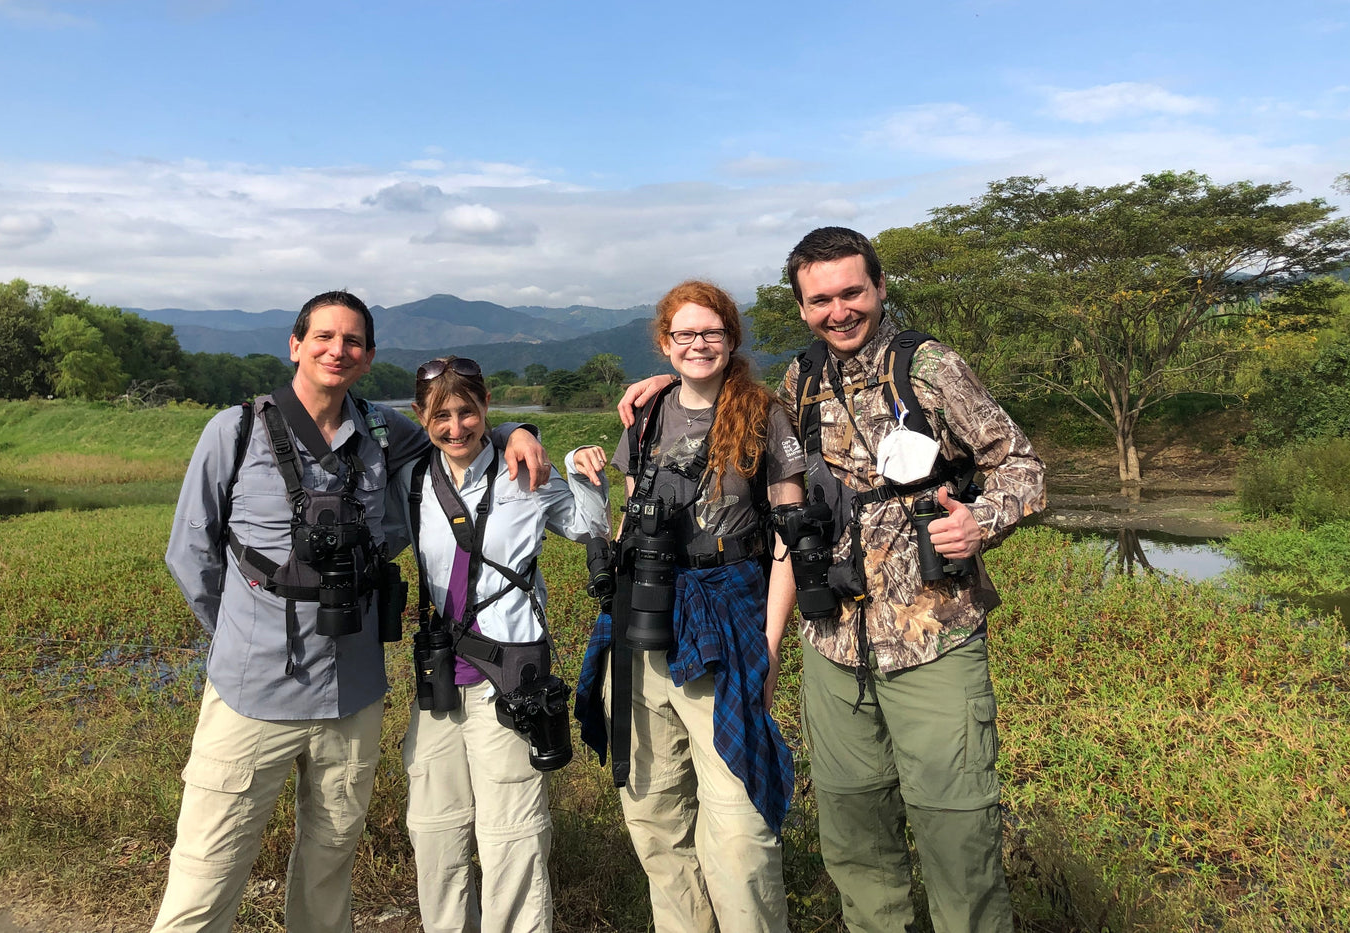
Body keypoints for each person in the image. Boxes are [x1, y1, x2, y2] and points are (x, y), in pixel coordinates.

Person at [621, 229, 1045, 933]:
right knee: (853, 836)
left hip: (932, 630)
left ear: (879, 287)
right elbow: (729, 398)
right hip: (833, 637)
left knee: (956, 831)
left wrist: (979, 521)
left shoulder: (931, 368)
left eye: (852, 292)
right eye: (820, 299)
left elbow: (1022, 468)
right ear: (801, 306)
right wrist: (668, 382)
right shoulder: (799, 380)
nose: (839, 310)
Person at [153, 291, 547, 933]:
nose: (339, 350)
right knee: (208, 865)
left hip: (352, 694)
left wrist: (516, 431)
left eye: (354, 342)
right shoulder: (237, 429)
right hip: (253, 691)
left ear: (367, 358)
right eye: (324, 338)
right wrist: (237, 633)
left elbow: (461, 432)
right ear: (296, 345)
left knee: (330, 866)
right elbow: (191, 552)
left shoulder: (384, 433)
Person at [574, 280, 805, 933]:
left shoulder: (765, 414)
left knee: (738, 823)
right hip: (643, 615)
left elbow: (788, 533)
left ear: (732, 338)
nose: (699, 344)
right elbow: (632, 521)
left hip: (727, 614)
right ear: (664, 343)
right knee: (654, 815)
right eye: (685, 334)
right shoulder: (645, 414)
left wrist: (771, 641)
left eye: (711, 332)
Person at [393, 355, 611, 933]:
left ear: (486, 406)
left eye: (468, 412)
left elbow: (590, 526)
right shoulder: (414, 479)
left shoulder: (526, 474)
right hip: (439, 675)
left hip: (512, 676)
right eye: (441, 415)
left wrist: (585, 469)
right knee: (434, 828)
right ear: (421, 417)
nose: (456, 427)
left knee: (510, 833)